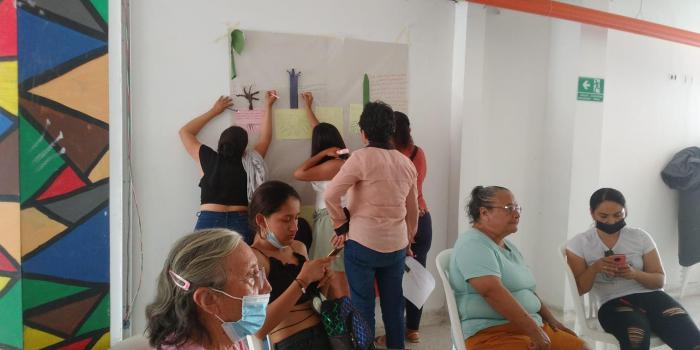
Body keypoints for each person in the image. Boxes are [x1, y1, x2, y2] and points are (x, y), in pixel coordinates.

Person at [325, 101, 419, 350]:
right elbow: (413, 210)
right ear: (391, 131)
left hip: (362, 244)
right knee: (393, 305)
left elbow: (330, 195)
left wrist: (340, 226)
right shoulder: (406, 163)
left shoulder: (360, 158)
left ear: (363, 132)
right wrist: (408, 241)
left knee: (363, 307)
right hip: (396, 246)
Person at [450, 186, 587, 350]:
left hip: (529, 326)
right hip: (490, 333)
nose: (516, 214)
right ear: (484, 213)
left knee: (583, 347)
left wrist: (552, 321)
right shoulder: (472, 244)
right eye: (509, 208)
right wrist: (535, 332)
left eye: (517, 208)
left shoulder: (508, 246)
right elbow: (491, 292)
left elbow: (528, 290)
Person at [566, 188, 700, 350]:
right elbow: (580, 288)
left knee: (691, 339)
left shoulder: (640, 237)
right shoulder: (579, 243)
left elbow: (659, 280)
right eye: (603, 216)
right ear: (592, 213)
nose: (611, 222)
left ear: (626, 211)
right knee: (635, 336)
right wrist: (595, 268)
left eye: (618, 215)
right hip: (612, 302)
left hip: (653, 297)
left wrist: (635, 274)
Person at [146, 228, 271, 350]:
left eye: (258, 272)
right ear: (208, 300)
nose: (267, 287)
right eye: (250, 276)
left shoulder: (228, 341)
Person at [179, 92, 278, 244]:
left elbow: (185, 132)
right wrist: (268, 106)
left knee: (205, 267)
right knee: (242, 267)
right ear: (245, 148)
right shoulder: (250, 162)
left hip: (209, 220)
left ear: (221, 142)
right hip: (242, 221)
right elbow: (266, 138)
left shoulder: (207, 157)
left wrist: (215, 110)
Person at [249, 180, 337, 350]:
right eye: (286, 220)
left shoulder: (298, 247)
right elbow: (258, 330)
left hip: (328, 331)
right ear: (261, 220)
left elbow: (315, 302)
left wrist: (324, 284)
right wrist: (302, 281)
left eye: (297, 218)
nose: (295, 227)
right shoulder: (254, 260)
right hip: (296, 342)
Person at [293, 91, 350, 297]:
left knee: (335, 273)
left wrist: (322, 154)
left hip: (330, 221)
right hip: (327, 219)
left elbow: (299, 173)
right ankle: (339, 322)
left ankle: (347, 324)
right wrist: (308, 107)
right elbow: (318, 129)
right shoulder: (337, 161)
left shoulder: (334, 164)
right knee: (328, 272)